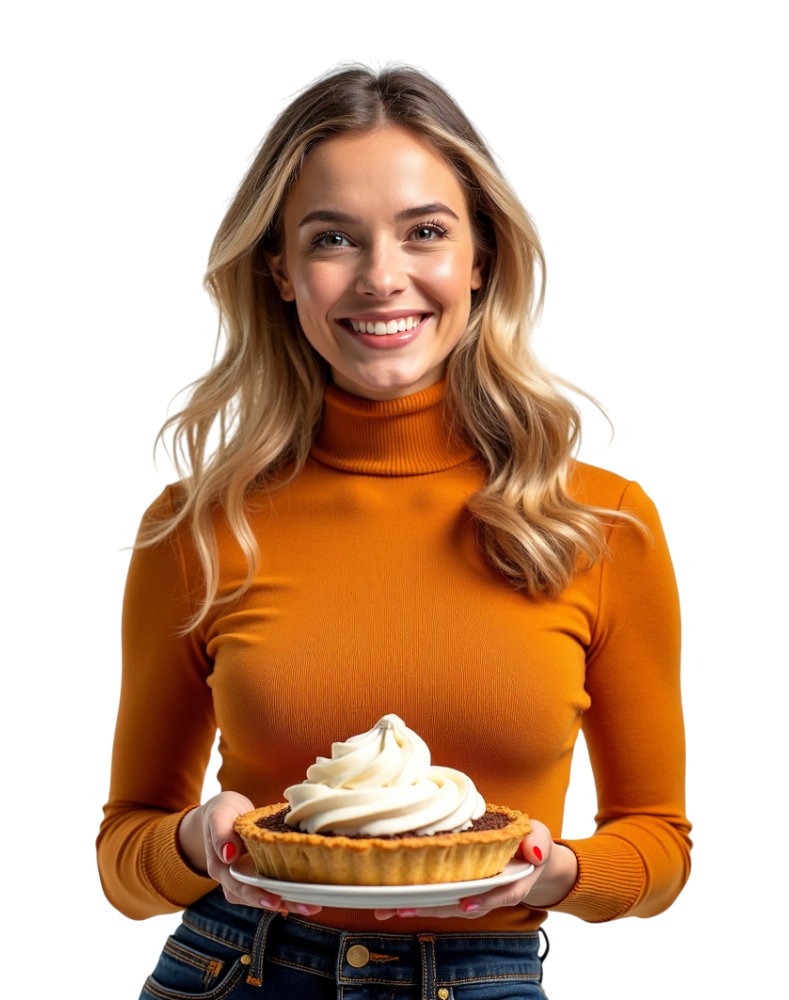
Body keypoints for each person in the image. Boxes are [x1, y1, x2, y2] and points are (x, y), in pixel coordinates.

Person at [98, 59, 691, 999]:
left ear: (480, 260)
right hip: (232, 966)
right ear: (281, 272)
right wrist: (193, 840)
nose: (383, 279)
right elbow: (125, 856)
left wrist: (560, 874)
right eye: (334, 238)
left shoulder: (606, 521)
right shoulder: (196, 525)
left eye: (425, 233)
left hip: (487, 971)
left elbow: (658, 841)